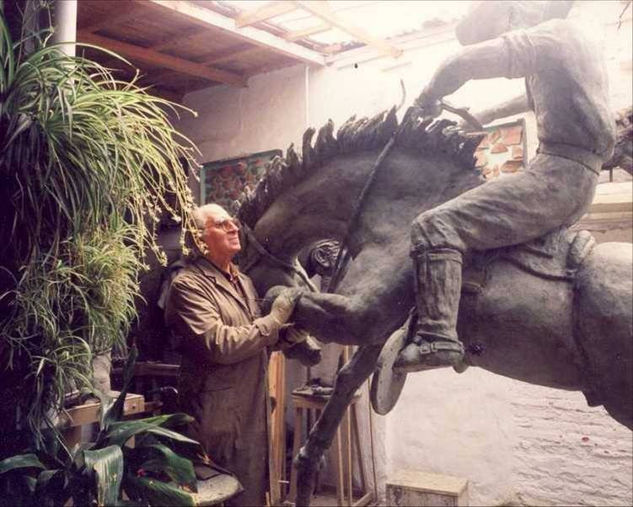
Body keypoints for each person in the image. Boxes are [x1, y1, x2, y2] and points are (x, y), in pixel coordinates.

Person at [396, 0, 615, 372]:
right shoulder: (577, 41)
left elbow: (457, 64)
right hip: (576, 178)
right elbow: (531, 99)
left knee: (435, 225)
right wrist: (482, 116)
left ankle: (437, 337)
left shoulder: (556, 34)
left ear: (513, 14)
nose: (502, 37)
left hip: (556, 176)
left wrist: (425, 100)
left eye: (500, 30)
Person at [164, 203, 302, 506]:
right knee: (222, 495)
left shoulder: (243, 281)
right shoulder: (187, 285)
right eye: (221, 223)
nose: (233, 227)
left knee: (250, 495)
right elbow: (220, 344)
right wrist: (274, 321)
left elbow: (254, 341)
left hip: (252, 410)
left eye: (233, 222)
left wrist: (288, 335)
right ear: (200, 239)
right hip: (216, 418)